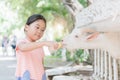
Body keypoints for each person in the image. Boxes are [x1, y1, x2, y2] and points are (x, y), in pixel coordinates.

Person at [15, 14, 62, 80]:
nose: (39, 31)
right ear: (26, 27)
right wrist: (45, 43)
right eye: (37, 27)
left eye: (42, 30)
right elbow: (23, 48)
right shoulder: (22, 42)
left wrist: (54, 47)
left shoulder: (39, 47)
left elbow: (41, 64)